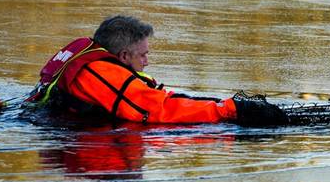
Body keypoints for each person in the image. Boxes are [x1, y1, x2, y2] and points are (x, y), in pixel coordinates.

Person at [27, 15, 288, 126]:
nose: (147, 62)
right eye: (143, 55)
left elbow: (157, 98)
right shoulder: (104, 75)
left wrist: (219, 103)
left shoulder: (94, 57)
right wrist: (229, 110)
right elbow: (156, 110)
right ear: (124, 56)